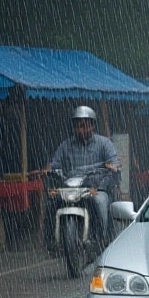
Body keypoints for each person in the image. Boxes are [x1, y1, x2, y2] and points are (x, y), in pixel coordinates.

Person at [43, 105, 120, 245]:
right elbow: (55, 163)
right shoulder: (66, 145)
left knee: (100, 201)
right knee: (52, 202)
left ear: (92, 125)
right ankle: (50, 241)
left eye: (84, 125)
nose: (81, 129)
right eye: (78, 126)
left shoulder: (104, 143)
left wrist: (111, 166)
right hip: (73, 188)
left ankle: (101, 238)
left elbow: (114, 161)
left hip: (96, 188)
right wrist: (49, 169)